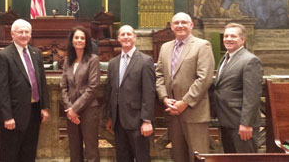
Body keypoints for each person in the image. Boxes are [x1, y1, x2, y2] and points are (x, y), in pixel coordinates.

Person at [156, 12, 214, 162]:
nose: (180, 25)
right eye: (176, 23)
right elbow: (159, 75)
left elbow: (204, 78)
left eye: (184, 22)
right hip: (172, 111)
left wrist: (185, 102)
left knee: (199, 156)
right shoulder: (165, 47)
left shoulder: (202, 45)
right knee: (178, 156)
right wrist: (164, 98)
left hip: (194, 111)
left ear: (191, 25)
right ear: (172, 27)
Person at [0, 19, 50, 162]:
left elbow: (41, 82)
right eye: (21, 32)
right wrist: (7, 116)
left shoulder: (36, 53)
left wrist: (44, 107)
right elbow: (1, 89)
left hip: (34, 111)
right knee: (11, 154)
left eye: (27, 32)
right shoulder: (4, 56)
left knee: (29, 152)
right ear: (12, 34)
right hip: (14, 115)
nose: (24, 35)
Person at [105, 25, 156, 162]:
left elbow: (149, 92)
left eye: (129, 34)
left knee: (141, 158)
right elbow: (110, 91)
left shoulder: (145, 61)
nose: (126, 37)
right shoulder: (113, 63)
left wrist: (147, 120)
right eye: (122, 34)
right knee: (122, 157)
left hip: (137, 121)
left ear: (135, 37)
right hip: (118, 121)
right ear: (118, 38)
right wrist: (110, 117)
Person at [211, 23, 262, 153]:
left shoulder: (250, 60)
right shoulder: (225, 58)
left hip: (241, 123)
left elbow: (252, 96)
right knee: (230, 157)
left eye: (233, 36)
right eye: (226, 36)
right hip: (226, 120)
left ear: (242, 40)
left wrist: (246, 123)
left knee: (245, 159)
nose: (228, 39)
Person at [60, 26, 101, 162]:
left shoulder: (93, 59)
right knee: (74, 149)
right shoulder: (67, 61)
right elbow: (63, 86)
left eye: (82, 38)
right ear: (72, 41)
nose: (79, 40)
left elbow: (93, 87)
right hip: (71, 110)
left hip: (89, 110)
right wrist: (69, 109)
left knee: (91, 150)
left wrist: (74, 109)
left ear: (86, 41)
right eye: (76, 37)